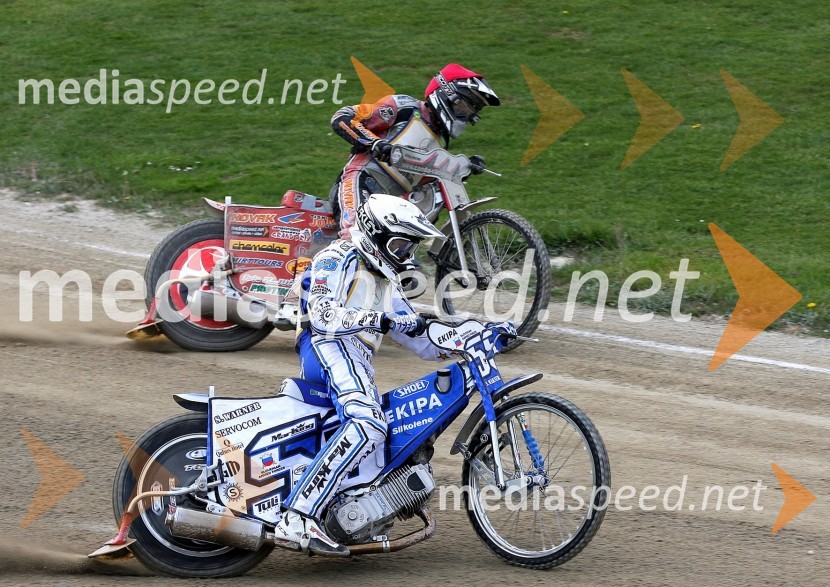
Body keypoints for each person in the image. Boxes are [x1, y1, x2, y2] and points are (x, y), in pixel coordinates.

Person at [273, 194, 453, 556]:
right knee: (369, 423)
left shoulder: (387, 281)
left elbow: (421, 340)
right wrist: (377, 319)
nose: (405, 255)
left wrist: (470, 337)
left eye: (410, 247)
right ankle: (297, 516)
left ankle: (352, 510)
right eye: (401, 245)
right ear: (375, 233)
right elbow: (322, 315)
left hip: (356, 357)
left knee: (382, 440)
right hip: (326, 344)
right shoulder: (335, 258)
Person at [329, 63, 500, 240]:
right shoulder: (405, 107)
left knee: (398, 253)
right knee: (356, 236)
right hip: (361, 181)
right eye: (466, 107)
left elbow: (426, 179)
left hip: (390, 201)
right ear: (448, 95)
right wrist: (375, 143)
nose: (469, 115)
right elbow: (342, 117)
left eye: (473, 110)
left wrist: (464, 168)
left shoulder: (440, 141)